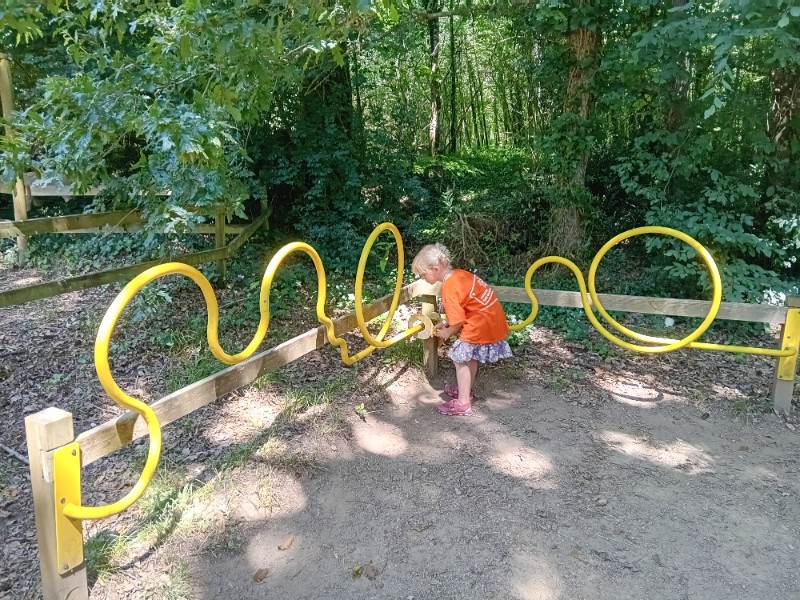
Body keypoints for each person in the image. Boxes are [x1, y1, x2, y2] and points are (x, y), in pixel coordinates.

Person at [411, 243, 512, 416]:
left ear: (435, 269)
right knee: (469, 357)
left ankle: (463, 403)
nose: (422, 278)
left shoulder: (449, 287)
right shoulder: (459, 275)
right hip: (490, 318)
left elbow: (458, 321)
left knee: (460, 358)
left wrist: (447, 332)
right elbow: (464, 306)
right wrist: (447, 322)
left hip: (480, 323)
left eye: (423, 274)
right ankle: (465, 391)